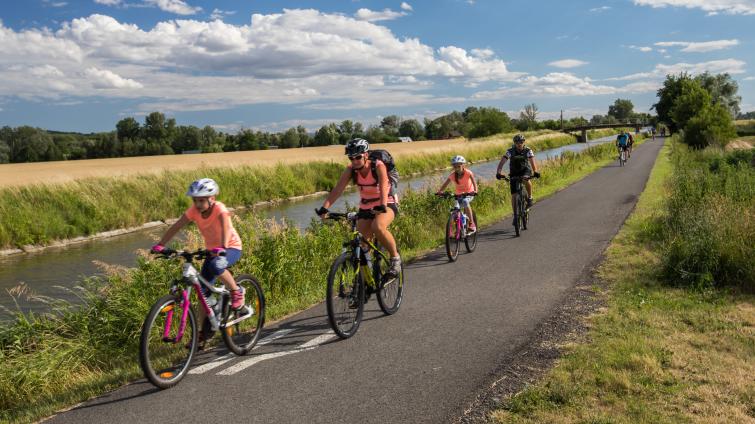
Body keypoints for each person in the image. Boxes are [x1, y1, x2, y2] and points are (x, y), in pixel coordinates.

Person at [151, 178, 244, 347]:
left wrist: (222, 248)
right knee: (202, 293)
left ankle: (236, 291)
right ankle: (203, 333)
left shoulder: (220, 209)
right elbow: (177, 226)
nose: (198, 204)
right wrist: (161, 244)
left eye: (201, 200)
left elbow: (225, 228)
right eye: (195, 200)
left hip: (230, 248)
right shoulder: (194, 211)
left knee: (217, 265)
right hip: (212, 252)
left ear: (212, 199)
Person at [316, 138, 401, 278]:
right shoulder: (351, 170)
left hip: (387, 202)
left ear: (366, 155)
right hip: (366, 206)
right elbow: (338, 189)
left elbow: (385, 185)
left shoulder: (378, 165)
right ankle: (367, 281)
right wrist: (325, 207)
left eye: (358, 157)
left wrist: (383, 205)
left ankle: (395, 259)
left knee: (378, 226)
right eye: (351, 158)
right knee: (362, 245)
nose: (354, 161)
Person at [495, 134, 540, 224]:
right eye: (517, 142)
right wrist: (499, 172)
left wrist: (535, 171)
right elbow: (502, 162)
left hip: (525, 170)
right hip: (514, 172)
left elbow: (532, 162)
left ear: (524, 142)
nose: (519, 144)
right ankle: (515, 215)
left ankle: (530, 197)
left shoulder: (528, 150)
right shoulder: (510, 151)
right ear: (514, 143)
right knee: (514, 195)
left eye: (521, 142)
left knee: (526, 179)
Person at [436, 155, 478, 233]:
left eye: (458, 166)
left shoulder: (468, 173)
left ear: (463, 165)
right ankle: (456, 229)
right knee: (455, 211)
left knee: (465, 201)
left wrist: (475, 191)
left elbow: (474, 182)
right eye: (454, 166)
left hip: (469, 193)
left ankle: (472, 224)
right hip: (458, 194)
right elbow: (445, 184)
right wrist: (440, 192)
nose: (457, 168)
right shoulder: (453, 175)